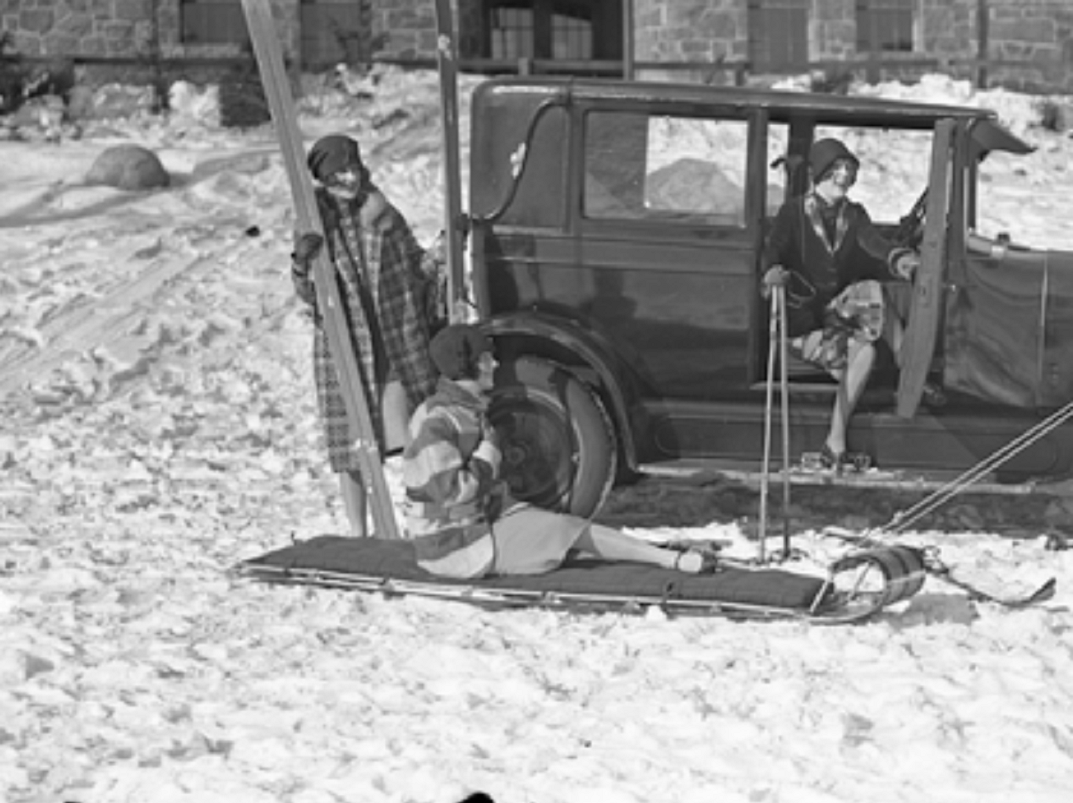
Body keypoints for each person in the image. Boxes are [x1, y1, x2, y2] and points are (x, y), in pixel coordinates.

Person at [401, 325, 717, 579]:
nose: (495, 364)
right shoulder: (437, 420)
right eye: (486, 358)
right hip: (453, 546)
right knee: (561, 532)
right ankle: (668, 560)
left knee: (559, 533)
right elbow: (451, 492)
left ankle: (661, 556)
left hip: (480, 524)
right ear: (467, 365)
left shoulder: (463, 411)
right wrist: (489, 453)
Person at [290, 133, 443, 535]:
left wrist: (441, 254)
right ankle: (359, 531)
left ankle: (423, 519)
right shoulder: (314, 223)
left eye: (353, 168)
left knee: (415, 437)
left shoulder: (382, 214)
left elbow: (416, 265)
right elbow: (309, 295)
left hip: (396, 345)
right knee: (351, 449)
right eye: (339, 171)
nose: (349, 178)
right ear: (323, 177)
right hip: (346, 349)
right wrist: (301, 264)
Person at [759, 135, 919, 473]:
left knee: (872, 288)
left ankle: (909, 365)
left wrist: (899, 259)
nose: (844, 176)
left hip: (837, 316)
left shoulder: (854, 215)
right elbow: (773, 249)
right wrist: (772, 271)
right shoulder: (793, 213)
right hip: (802, 326)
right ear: (820, 174)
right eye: (837, 169)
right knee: (867, 354)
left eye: (849, 169)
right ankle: (836, 442)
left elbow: (873, 244)